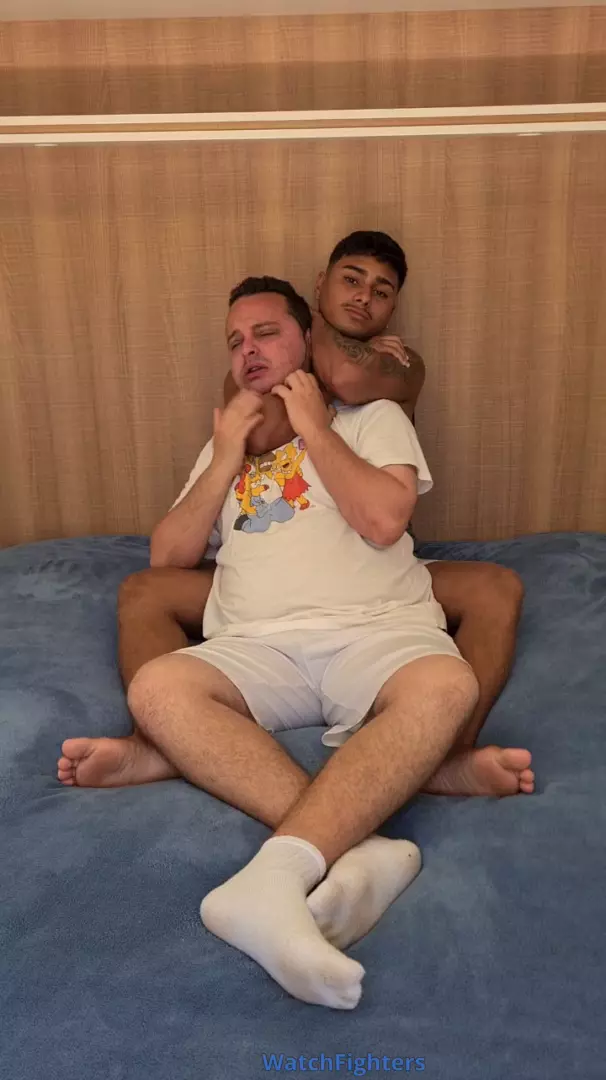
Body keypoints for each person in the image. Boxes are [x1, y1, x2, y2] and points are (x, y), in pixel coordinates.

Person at [58, 277, 534, 1010]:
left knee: (446, 686)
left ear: (307, 338)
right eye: (235, 342)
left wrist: (316, 427)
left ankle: (273, 870)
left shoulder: (371, 418)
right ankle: (359, 846)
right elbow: (168, 559)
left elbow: (385, 522)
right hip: (258, 646)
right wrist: (224, 454)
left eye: (265, 333)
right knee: (159, 688)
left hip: (374, 631)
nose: (248, 351)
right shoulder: (227, 445)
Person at [113, 231, 524, 755]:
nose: (363, 298)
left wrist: (322, 385)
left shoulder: (393, 378)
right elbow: (169, 554)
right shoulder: (243, 411)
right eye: (351, 281)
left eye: (381, 291)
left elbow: (349, 382)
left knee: (492, 587)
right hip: (264, 593)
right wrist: (225, 454)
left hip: (370, 558)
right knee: (144, 590)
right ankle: (159, 741)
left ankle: (452, 750)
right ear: (321, 285)